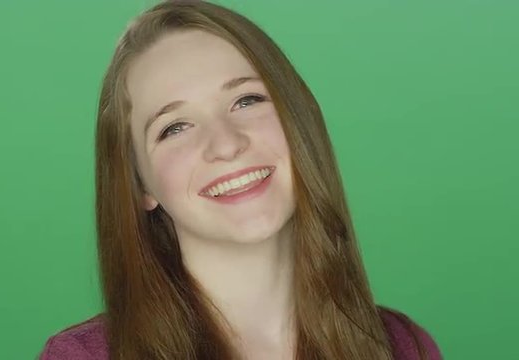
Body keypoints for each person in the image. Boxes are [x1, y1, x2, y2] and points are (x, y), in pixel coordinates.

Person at [39, 1, 442, 359]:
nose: (226, 144)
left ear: (298, 120)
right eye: (175, 127)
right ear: (140, 186)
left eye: (246, 100)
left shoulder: (406, 348)